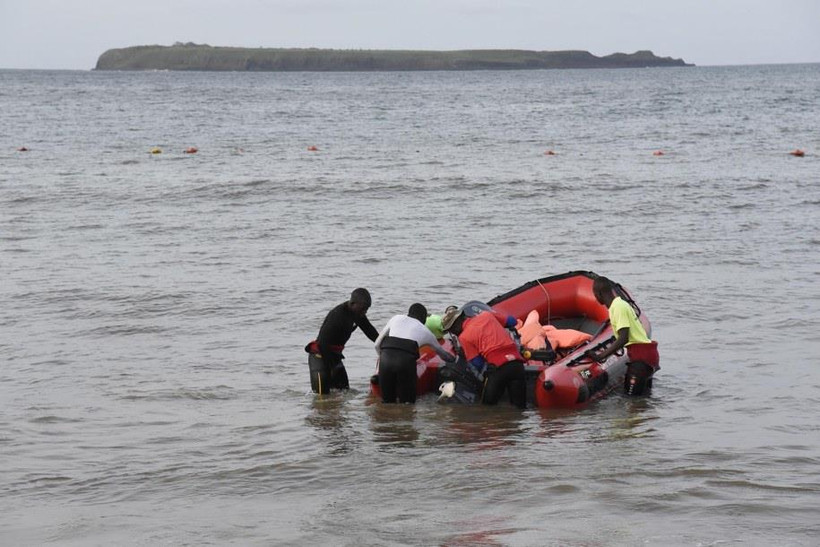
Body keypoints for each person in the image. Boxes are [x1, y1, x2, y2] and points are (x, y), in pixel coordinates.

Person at [441, 305, 527, 409]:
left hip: (497, 368)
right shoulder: (487, 315)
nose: (453, 333)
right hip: (517, 365)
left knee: (487, 408)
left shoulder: (464, 337)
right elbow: (512, 321)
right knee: (520, 408)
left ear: (455, 326)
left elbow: (477, 363)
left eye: (451, 330)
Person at [586, 276, 660, 395]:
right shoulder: (620, 304)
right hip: (648, 355)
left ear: (598, 294)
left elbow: (623, 338)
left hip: (641, 359)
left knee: (631, 402)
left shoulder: (618, 307)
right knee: (642, 400)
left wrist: (601, 356)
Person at [374, 303, 456, 403]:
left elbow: (377, 344)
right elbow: (443, 355)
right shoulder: (426, 332)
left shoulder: (396, 318)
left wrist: (382, 360)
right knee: (407, 404)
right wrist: (455, 358)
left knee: (387, 402)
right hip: (406, 362)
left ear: (408, 314)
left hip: (385, 360)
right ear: (424, 319)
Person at [305, 288, 378, 394]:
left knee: (344, 392)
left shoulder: (358, 314)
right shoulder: (338, 315)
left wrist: (384, 344)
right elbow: (323, 343)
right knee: (321, 399)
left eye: (367, 309)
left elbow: (370, 331)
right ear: (353, 303)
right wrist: (332, 367)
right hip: (320, 356)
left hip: (335, 356)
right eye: (363, 309)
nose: (365, 312)